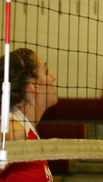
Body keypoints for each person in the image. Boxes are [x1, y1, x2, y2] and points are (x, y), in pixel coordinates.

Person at [0, 48, 57, 181]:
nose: (53, 77)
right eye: (46, 72)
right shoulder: (15, 131)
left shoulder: (27, 129)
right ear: (34, 86)